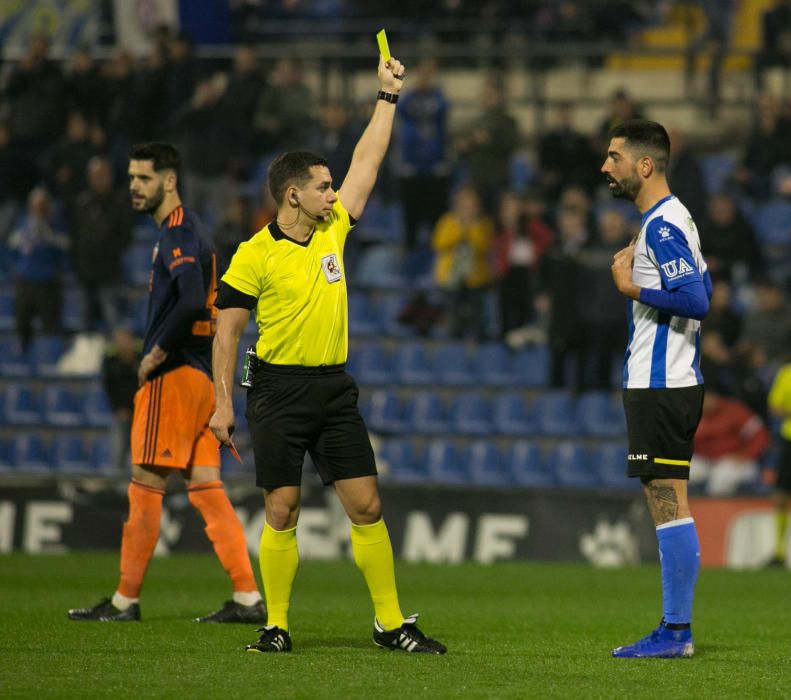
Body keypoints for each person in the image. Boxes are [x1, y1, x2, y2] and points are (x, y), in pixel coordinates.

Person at [209, 55, 446, 655]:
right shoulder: (253, 255)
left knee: (367, 505)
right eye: (323, 185)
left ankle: (391, 624)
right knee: (282, 509)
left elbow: (368, 159)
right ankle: (277, 625)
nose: (334, 191)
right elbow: (226, 333)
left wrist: (386, 97)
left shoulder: (333, 227)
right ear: (294, 195)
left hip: (334, 389)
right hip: (277, 391)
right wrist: (222, 405)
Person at [68, 142, 264, 624]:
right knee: (205, 487)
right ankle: (246, 596)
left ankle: (124, 601)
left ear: (169, 181)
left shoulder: (177, 232)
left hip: (173, 376)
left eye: (144, 178)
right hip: (199, 378)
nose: (134, 186)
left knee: (145, 485)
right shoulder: (194, 230)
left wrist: (156, 350)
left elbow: (192, 296)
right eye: (132, 178)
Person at [603, 119, 712, 658]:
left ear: (644, 165)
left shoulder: (663, 226)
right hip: (671, 381)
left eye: (615, 157)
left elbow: (697, 299)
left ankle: (675, 633)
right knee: (668, 500)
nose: (606, 167)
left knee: (668, 503)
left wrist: (629, 286)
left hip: (661, 381)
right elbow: (705, 281)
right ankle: (675, 629)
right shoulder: (674, 219)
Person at [688, 390, 770, 496]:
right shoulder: (692, 413)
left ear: (715, 397)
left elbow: (760, 435)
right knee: (678, 473)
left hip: (734, 460)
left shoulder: (734, 410)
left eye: (708, 397)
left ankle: (717, 511)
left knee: (721, 478)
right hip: (705, 460)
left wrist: (746, 455)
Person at [767, 354, 791, 567]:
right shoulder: (786, 373)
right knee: (781, 497)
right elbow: (774, 407)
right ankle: (779, 552)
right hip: (788, 440)